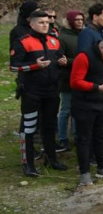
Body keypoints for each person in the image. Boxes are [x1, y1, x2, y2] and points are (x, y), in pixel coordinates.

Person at [10, 11, 68, 177]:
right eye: (41, 22)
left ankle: (52, 159)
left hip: (51, 91)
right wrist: (34, 66)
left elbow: (57, 61)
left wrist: (61, 62)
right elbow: (13, 67)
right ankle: (28, 164)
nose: (45, 25)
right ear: (32, 24)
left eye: (47, 22)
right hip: (31, 91)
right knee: (28, 127)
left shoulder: (55, 41)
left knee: (50, 126)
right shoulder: (23, 42)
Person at [70, 35, 103, 185]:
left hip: (102, 103)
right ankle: (84, 173)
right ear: (101, 48)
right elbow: (75, 81)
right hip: (84, 104)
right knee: (84, 138)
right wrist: (96, 87)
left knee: (100, 135)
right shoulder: (84, 56)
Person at [57, 10, 85, 152]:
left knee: (77, 110)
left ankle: (77, 136)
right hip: (67, 79)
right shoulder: (62, 38)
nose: (80, 22)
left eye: (81, 19)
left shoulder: (84, 35)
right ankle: (62, 138)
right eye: (77, 19)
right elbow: (60, 60)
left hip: (82, 79)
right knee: (66, 110)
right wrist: (72, 61)